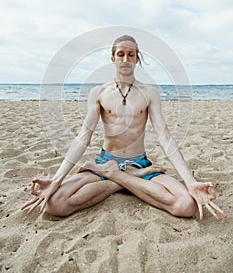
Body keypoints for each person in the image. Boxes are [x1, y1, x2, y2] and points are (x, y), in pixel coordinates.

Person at [22, 35, 227, 221]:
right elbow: (84, 136)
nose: (125, 59)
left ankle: (122, 176)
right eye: (121, 54)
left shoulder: (150, 93)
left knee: (186, 205)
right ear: (113, 58)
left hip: (140, 164)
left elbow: (164, 137)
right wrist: (57, 180)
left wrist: (190, 182)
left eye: (131, 54)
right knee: (55, 203)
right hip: (104, 163)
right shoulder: (98, 92)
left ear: (137, 59)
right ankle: (125, 178)